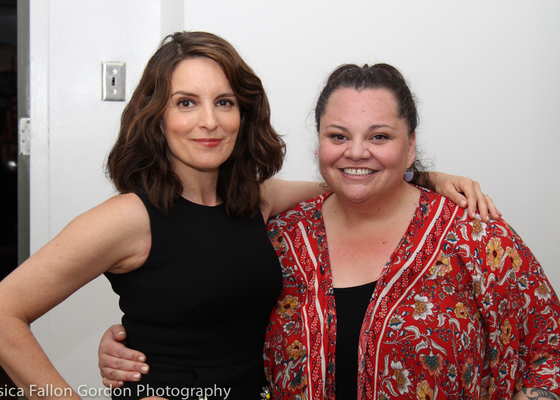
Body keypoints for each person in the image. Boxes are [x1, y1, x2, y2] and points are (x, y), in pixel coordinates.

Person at [0, 30, 495, 400]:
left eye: (224, 102)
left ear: (242, 114)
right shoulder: (128, 218)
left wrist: (423, 178)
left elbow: (349, 182)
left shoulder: (254, 200)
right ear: (157, 116)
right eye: (185, 103)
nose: (208, 121)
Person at [99, 62, 559, 400]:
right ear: (318, 141)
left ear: (411, 144)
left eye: (379, 137)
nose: (356, 152)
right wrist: (134, 349)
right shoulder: (279, 236)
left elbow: (551, 353)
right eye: (338, 136)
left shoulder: (476, 237)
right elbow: (217, 319)